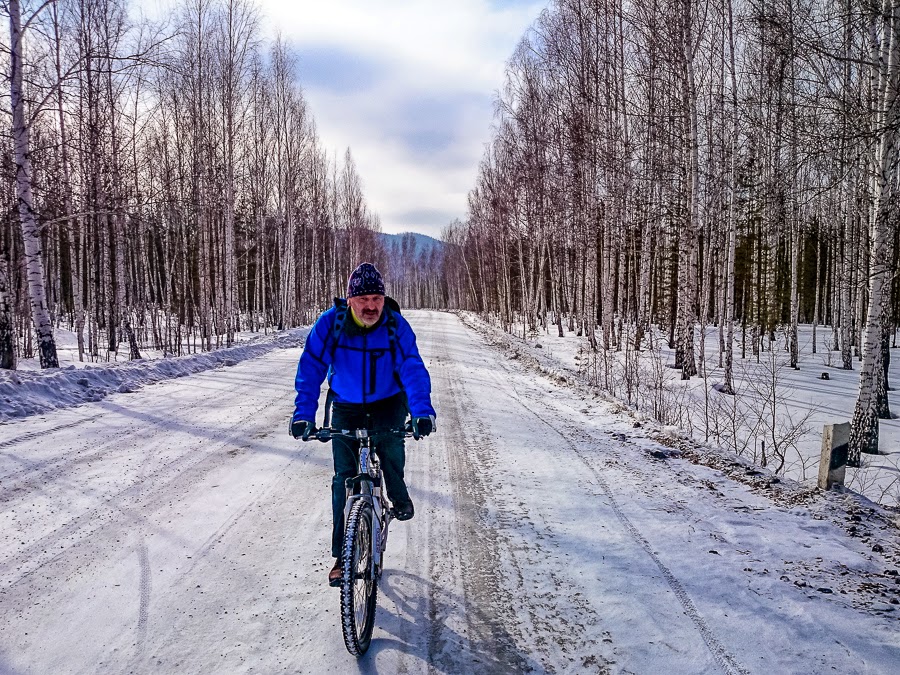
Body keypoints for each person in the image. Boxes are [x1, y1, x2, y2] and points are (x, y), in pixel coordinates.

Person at [289, 262, 437, 586]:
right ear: (350, 298)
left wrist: (422, 411)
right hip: (345, 405)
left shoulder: (396, 326)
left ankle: (398, 495)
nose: (371, 306)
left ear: (384, 299)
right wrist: (303, 415)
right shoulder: (332, 325)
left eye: (376, 298)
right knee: (343, 477)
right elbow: (311, 368)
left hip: (388, 403)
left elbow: (412, 368)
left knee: (390, 452)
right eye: (364, 299)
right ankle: (342, 557)